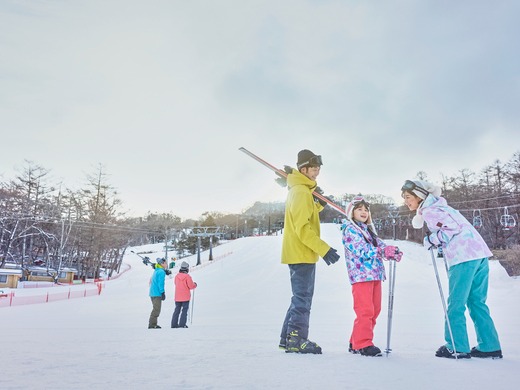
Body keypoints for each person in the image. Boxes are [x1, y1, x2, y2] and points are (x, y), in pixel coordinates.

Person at [401, 179, 502, 359]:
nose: (406, 201)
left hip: (463, 257)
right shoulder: (443, 207)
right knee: (477, 301)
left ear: (419, 196)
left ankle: (457, 346)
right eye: (404, 197)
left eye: (408, 197)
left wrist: (430, 240)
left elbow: (450, 229)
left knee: (456, 303)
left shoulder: (430, 210)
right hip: (479, 254)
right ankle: (490, 345)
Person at [279, 149, 341, 354]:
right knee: (303, 298)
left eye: (318, 168)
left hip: (300, 252)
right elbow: (303, 228)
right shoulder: (300, 192)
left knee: (299, 297)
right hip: (301, 252)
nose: (317, 171)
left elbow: (307, 213)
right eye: (314, 168)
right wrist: (324, 249)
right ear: (303, 169)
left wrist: (319, 205)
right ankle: (297, 340)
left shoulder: (302, 191)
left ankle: (286, 339)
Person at [341, 195, 402, 357]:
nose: (364, 212)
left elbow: (380, 245)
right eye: (359, 209)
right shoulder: (350, 230)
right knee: (365, 310)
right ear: (351, 213)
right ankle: (364, 343)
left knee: (375, 310)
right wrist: (382, 251)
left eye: (366, 210)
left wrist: (391, 252)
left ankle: (355, 341)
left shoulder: (368, 230)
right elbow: (361, 250)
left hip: (375, 274)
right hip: (361, 276)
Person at [171, 261, 197, 328]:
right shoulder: (187, 276)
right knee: (184, 310)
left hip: (177, 297)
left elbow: (176, 284)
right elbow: (191, 286)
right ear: (186, 268)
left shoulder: (177, 276)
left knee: (177, 310)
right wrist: (195, 285)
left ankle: (174, 324)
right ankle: (182, 324)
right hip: (185, 297)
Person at [148, 257, 167, 329]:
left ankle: (153, 324)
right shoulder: (161, 272)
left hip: (152, 293)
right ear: (162, 264)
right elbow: (160, 283)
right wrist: (162, 292)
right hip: (157, 293)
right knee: (156, 309)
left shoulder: (156, 270)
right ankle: (152, 324)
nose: (166, 264)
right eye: (165, 263)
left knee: (156, 309)